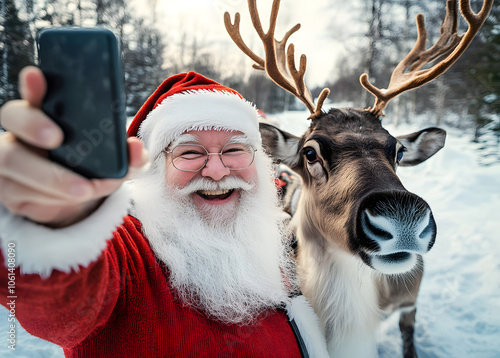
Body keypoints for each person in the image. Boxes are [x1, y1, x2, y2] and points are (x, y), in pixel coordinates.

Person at [0, 67, 328, 357]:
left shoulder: (268, 242)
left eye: (234, 150)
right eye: (189, 151)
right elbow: (63, 298)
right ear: (155, 170)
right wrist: (54, 224)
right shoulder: (128, 252)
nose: (216, 169)